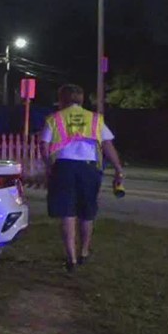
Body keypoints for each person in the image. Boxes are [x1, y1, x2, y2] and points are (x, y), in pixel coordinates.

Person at [40, 84, 124, 272]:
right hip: (89, 168)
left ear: (61, 99)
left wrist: (49, 166)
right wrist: (118, 169)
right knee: (87, 212)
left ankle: (71, 257)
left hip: (63, 167)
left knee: (67, 212)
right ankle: (84, 252)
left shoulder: (55, 119)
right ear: (82, 99)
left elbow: (44, 145)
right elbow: (108, 145)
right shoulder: (95, 119)